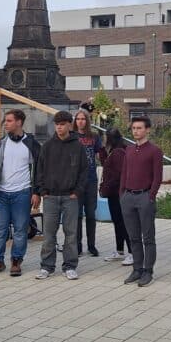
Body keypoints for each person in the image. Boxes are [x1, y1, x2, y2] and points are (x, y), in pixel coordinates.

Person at [0, 109, 41, 277]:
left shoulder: (31, 144)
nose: (5, 123)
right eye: (5, 121)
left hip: (22, 193)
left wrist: (37, 192)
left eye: (8, 120)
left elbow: (39, 169)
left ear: (19, 123)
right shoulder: (1, 144)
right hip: (1, 194)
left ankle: (16, 261)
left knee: (20, 229)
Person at [36, 111, 88, 280]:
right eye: (57, 124)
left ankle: (70, 266)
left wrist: (77, 192)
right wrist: (42, 191)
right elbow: (39, 170)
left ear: (69, 125)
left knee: (71, 233)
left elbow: (84, 171)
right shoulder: (47, 146)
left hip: (70, 197)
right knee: (49, 234)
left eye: (63, 124)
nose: (59, 127)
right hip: (50, 196)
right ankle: (47, 266)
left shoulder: (78, 146)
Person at [119, 116, 163, 287]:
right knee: (133, 236)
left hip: (144, 197)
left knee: (148, 237)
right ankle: (137, 269)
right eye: (133, 128)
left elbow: (157, 177)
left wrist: (150, 196)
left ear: (147, 130)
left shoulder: (154, 151)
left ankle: (148, 271)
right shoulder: (128, 150)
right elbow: (124, 173)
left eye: (139, 128)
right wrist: (122, 194)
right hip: (128, 197)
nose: (136, 131)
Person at [73, 109, 105, 258]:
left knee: (91, 215)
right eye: (78, 119)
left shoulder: (94, 137)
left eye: (83, 119)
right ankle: (77, 246)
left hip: (91, 180)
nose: (80, 121)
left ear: (87, 121)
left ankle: (91, 245)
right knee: (77, 215)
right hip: (76, 182)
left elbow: (101, 155)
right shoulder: (71, 136)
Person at [99, 128, 130, 262]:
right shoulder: (113, 152)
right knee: (117, 222)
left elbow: (117, 175)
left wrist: (106, 186)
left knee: (122, 223)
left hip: (117, 193)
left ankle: (132, 252)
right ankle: (120, 250)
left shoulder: (117, 153)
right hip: (114, 193)